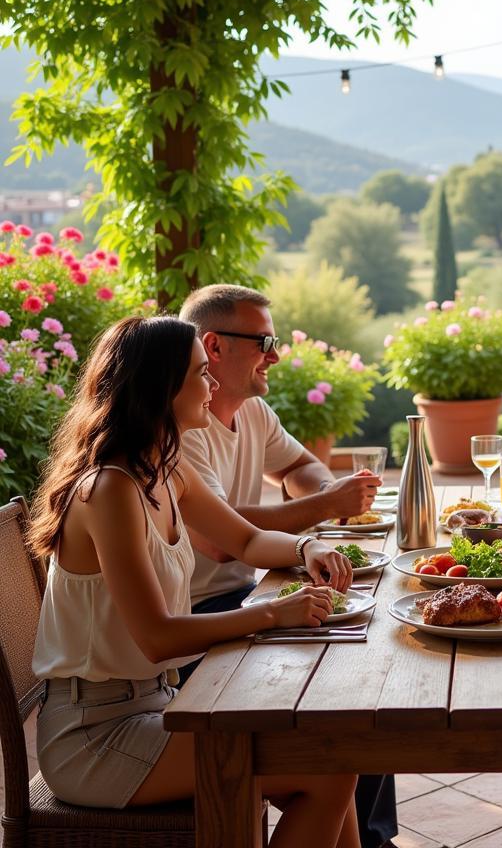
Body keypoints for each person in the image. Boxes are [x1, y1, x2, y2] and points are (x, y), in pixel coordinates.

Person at [29, 315, 361, 847]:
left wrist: (308, 545)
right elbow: (157, 636)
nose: (213, 386)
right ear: (164, 387)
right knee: (326, 771)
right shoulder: (110, 490)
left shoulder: (166, 468)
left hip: (157, 706)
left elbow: (248, 541)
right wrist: (273, 613)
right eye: (203, 373)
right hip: (94, 735)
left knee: (331, 755)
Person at [176, 284, 398, 848]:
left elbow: (301, 467)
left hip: (242, 597)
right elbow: (222, 541)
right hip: (198, 622)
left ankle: (372, 837)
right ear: (214, 348)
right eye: (265, 341)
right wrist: (324, 508)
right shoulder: (177, 438)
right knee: (349, 663)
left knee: (359, 646)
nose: (276, 355)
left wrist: (326, 504)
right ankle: (370, 838)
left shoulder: (251, 411)